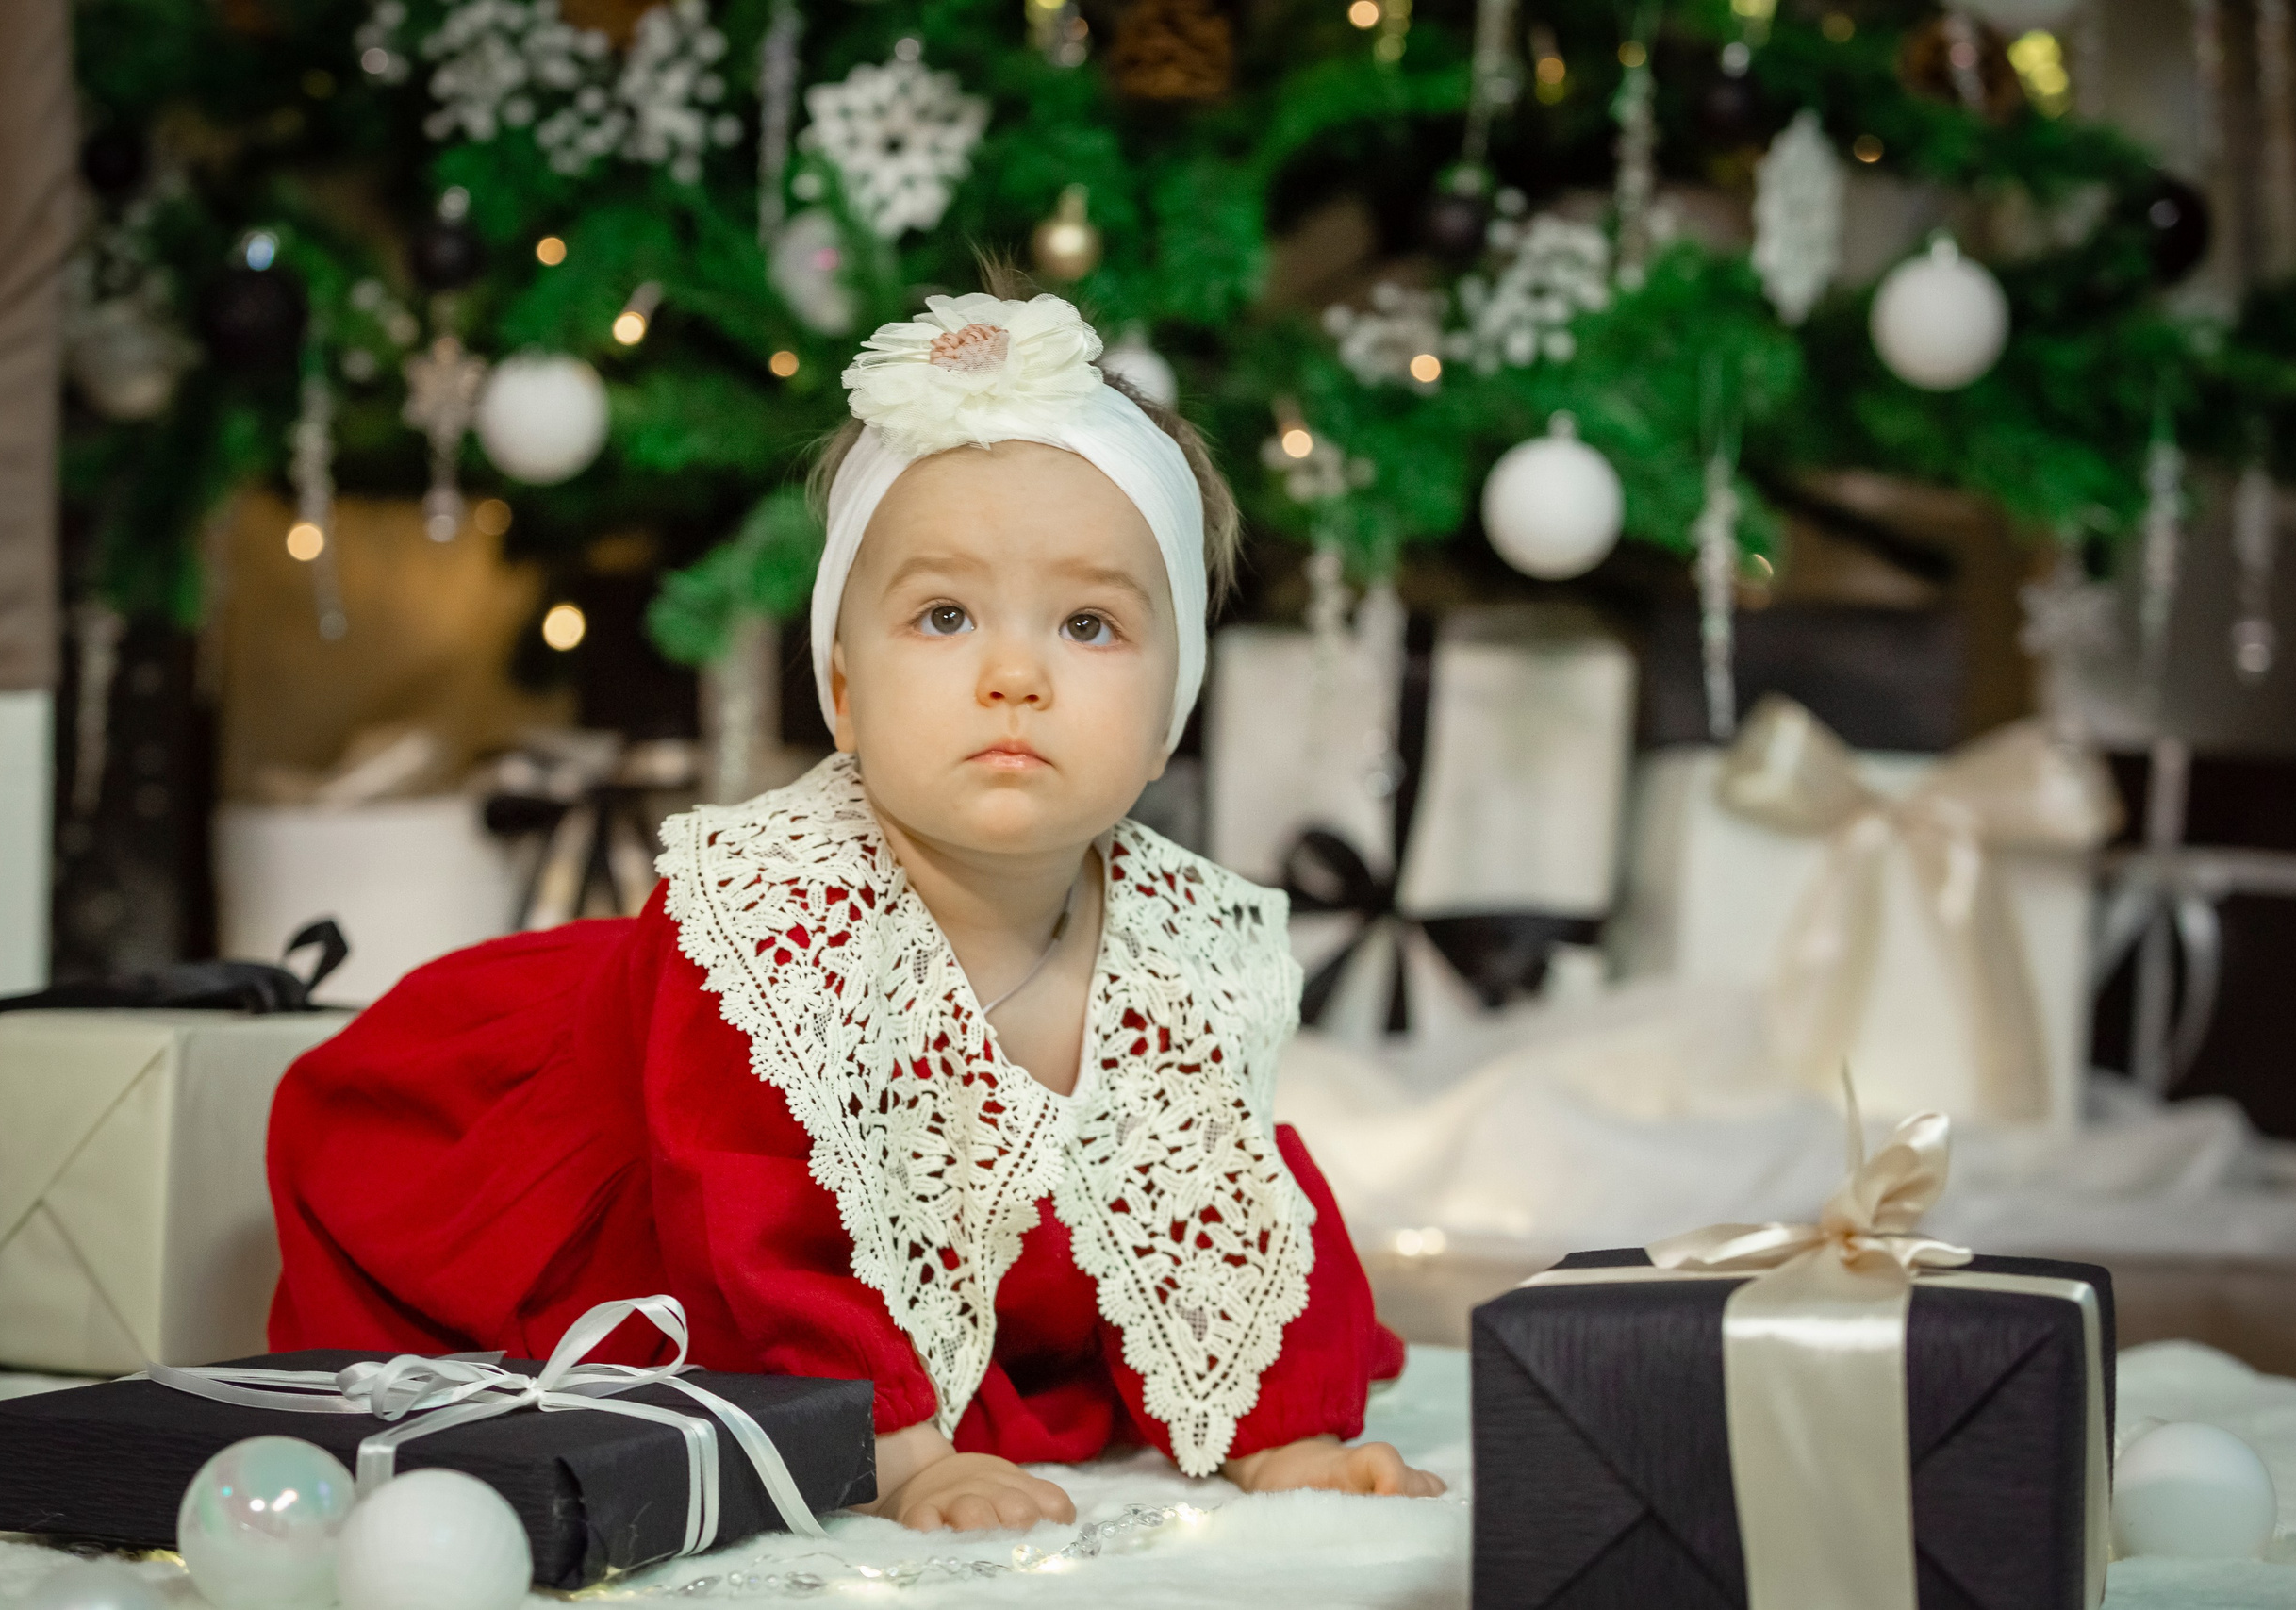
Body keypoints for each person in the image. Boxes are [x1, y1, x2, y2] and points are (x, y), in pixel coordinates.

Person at [266, 279, 1442, 1533]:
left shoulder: (1180, 948)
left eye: (1090, 625)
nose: (1013, 675)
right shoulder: (770, 929)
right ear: (842, 687)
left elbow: (1234, 1202)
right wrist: (904, 1452)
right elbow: (753, 1228)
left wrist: (1287, 1431)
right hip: (606, 1193)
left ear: (1170, 718)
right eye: (943, 616)